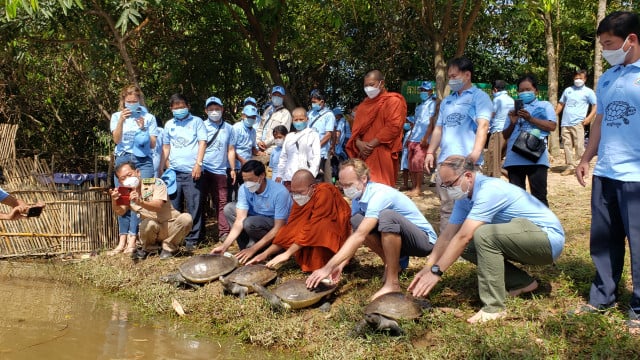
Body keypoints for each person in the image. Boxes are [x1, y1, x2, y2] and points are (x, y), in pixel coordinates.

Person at [408, 155, 565, 323]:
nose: (448, 190)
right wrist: (429, 266)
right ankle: (522, 283)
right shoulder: (465, 196)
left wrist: (437, 272)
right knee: (470, 246)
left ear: (467, 176)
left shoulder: (490, 190)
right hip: (523, 237)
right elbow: (448, 235)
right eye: (444, 186)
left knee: (482, 235)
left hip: (547, 241)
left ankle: (494, 308)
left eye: (450, 184)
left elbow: (464, 236)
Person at [576, 11, 640, 327]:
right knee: (603, 239)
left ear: (631, 40)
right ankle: (603, 296)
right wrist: (587, 157)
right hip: (607, 171)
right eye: (602, 45)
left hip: (636, 176)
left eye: (610, 43)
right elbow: (599, 120)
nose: (605, 50)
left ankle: (639, 308)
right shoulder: (608, 78)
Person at [306, 159, 437, 300]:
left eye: (349, 184)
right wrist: (340, 265)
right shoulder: (358, 198)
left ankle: (392, 283)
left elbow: (361, 235)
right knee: (356, 220)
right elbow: (356, 233)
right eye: (342, 185)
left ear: (363, 179)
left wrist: (328, 267)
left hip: (423, 241)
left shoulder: (379, 194)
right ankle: (393, 264)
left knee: (387, 216)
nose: (345, 189)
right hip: (401, 239)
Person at [424, 57, 492, 232]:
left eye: (454, 76)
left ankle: (472, 242)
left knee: (471, 204)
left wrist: (475, 154)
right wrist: (431, 152)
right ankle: (447, 244)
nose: (451, 80)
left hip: (468, 161)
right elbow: (438, 128)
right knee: (447, 206)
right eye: (449, 77)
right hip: (446, 161)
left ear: (467, 75)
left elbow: (483, 126)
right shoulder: (447, 101)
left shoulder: (479, 97)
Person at [247, 169, 351, 273]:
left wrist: (287, 254)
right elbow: (291, 228)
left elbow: (313, 227)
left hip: (332, 236)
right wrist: (265, 254)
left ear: (313, 187)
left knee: (321, 226)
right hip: (310, 234)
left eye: (300, 192)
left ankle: (334, 261)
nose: (296, 196)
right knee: (296, 227)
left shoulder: (325, 193)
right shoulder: (301, 198)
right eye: (293, 192)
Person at [211, 160, 292, 264]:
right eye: (245, 180)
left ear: (262, 176)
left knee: (250, 222)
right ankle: (245, 250)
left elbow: (279, 227)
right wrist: (224, 246)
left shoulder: (279, 192)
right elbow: (240, 219)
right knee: (229, 209)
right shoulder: (244, 189)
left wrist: (254, 248)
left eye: (250, 180)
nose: (247, 184)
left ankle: (270, 250)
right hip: (255, 221)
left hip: (277, 227)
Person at [109, 84, 158, 255]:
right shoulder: (116, 116)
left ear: (140, 101)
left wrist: (143, 128)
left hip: (143, 160)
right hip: (123, 158)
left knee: (142, 197)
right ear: (123, 101)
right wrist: (122, 120)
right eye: (128, 101)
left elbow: (153, 143)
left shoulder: (149, 117)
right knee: (122, 198)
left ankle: (134, 239)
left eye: (134, 101)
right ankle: (122, 240)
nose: (131, 104)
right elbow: (116, 140)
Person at [110, 162, 193, 259]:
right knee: (147, 224)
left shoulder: (156, 183)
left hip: (171, 226)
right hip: (153, 230)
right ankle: (150, 249)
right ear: (120, 182)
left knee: (186, 218)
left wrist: (140, 202)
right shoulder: (125, 193)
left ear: (138, 172)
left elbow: (158, 206)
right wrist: (114, 200)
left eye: (129, 175)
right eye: (123, 178)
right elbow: (120, 211)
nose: (128, 179)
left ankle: (169, 247)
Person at [159, 93, 207, 251]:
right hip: (173, 173)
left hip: (192, 172)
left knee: (195, 205)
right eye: (176, 107)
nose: (179, 109)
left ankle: (194, 239)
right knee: (174, 207)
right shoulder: (169, 124)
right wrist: (162, 166)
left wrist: (198, 164)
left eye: (182, 106)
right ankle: (176, 238)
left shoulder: (197, 122)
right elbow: (166, 147)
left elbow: (202, 143)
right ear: (171, 108)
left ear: (188, 106)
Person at [503, 74, 557, 206]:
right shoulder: (512, 111)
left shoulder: (545, 105)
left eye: (528, 89)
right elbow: (505, 135)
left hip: (536, 158)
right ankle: (520, 226)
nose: (524, 93)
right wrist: (513, 122)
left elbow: (552, 126)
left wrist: (530, 119)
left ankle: (543, 226)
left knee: (539, 197)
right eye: (521, 91)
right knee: (517, 200)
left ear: (536, 91)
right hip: (514, 158)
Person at [346, 70, 406, 187]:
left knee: (381, 190)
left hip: (382, 152)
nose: (368, 88)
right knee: (363, 188)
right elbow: (356, 130)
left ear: (381, 83)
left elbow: (393, 127)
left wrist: (371, 144)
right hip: (364, 154)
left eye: (371, 84)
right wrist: (358, 143)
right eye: (365, 85)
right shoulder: (363, 106)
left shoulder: (393, 101)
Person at [201, 96, 236, 242]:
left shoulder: (229, 128)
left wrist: (232, 168)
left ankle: (223, 232)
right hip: (202, 169)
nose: (214, 111)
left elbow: (231, 150)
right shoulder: (201, 126)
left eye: (217, 109)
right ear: (206, 111)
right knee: (200, 201)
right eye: (211, 109)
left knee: (222, 202)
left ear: (222, 109)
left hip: (220, 170)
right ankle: (199, 234)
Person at [556, 69, 597, 176]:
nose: (578, 80)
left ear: (585, 79)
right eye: (576, 78)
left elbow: (595, 106)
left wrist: (589, 118)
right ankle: (570, 166)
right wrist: (554, 114)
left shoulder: (588, 92)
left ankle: (580, 166)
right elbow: (561, 103)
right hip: (565, 122)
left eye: (580, 78)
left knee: (579, 146)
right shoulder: (568, 90)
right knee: (567, 145)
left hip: (578, 122)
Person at [275, 107, 321, 189]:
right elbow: (283, 157)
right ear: (292, 121)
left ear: (307, 119)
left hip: (305, 177)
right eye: (296, 120)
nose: (298, 122)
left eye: (301, 119)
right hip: (289, 178)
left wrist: (311, 175)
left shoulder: (313, 135)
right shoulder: (289, 137)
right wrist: (279, 174)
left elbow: (316, 157)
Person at [405, 81, 436, 197]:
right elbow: (416, 123)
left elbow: (431, 123)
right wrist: (409, 137)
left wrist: (426, 137)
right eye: (421, 90)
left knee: (418, 164)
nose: (422, 92)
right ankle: (413, 187)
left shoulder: (432, 104)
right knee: (411, 164)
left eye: (424, 90)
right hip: (413, 138)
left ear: (430, 91)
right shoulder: (419, 107)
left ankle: (418, 188)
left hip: (422, 139)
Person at [228, 105, 263, 202]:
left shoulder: (253, 131)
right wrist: (242, 160)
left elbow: (252, 148)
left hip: (247, 166)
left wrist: (259, 153)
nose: (251, 119)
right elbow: (231, 149)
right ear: (243, 116)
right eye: (249, 117)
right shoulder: (236, 128)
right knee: (235, 193)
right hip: (237, 166)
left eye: (253, 117)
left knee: (247, 191)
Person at [256, 86, 292, 163]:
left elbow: (282, 134)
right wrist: (258, 141)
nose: (276, 97)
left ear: (283, 97)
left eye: (279, 96)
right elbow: (260, 127)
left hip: (272, 150)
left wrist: (265, 143)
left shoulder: (285, 114)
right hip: (260, 149)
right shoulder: (268, 110)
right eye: (275, 95)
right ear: (271, 96)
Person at [486, 80, 514, 178]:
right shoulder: (511, 100)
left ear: (495, 89)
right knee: (500, 158)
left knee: (493, 158)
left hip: (498, 132)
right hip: (509, 132)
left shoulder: (497, 100)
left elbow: (491, 115)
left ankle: (494, 181)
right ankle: (511, 176)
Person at [308, 89, 336, 183]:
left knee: (322, 177)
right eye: (312, 102)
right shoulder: (310, 113)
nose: (313, 104)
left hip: (322, 151)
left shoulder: (329, 115)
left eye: (314, 102)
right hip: (309, 150)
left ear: (322, 102)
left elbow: (328, 135)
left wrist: (316, 146)